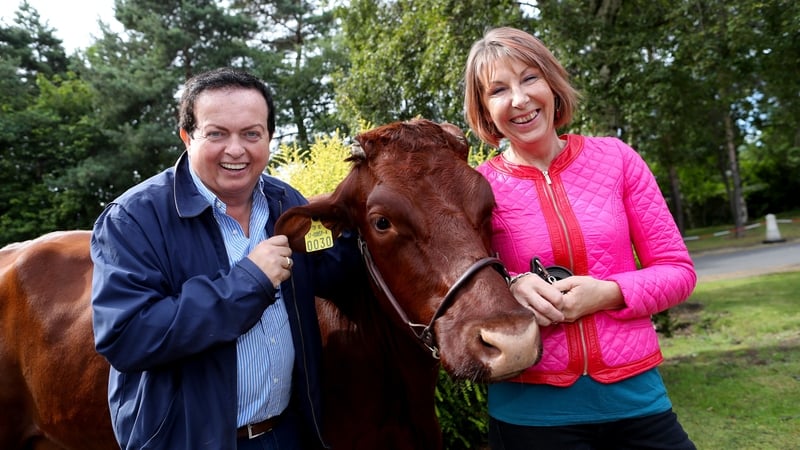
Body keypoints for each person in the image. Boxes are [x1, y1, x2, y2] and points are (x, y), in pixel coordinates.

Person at [90, 67, 359, 449]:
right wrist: (249, 282)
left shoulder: (287, 203)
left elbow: (336, 269)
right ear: (187, 136)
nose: (236, 149)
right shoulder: (133, 219)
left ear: (269, 138)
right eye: (217, 134)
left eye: (251, 134)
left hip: (286, 434)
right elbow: (127, 336)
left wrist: (374, 212)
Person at [463, 27, 698, 449]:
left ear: (552, 84)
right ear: (484, 109)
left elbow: (678, 271)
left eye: (529, 78)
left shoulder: (617, 160)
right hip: (529, 415)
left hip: (637, 401)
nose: (519, 99)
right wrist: (512, 284)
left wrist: (608, 293)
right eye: (498, 90)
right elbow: (463, 290)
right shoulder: (475, 190)